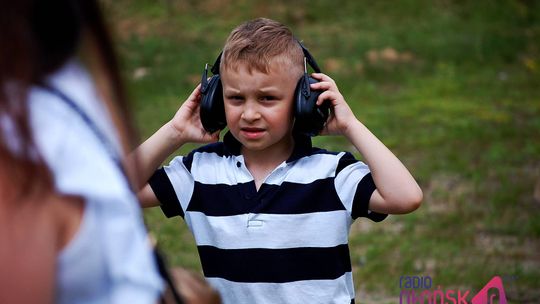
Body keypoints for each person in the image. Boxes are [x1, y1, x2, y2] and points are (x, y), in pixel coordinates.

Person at [135, 18, 423, 304]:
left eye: (267, 98)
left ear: (304, 100)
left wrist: (351, 126)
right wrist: (174, 132)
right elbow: (118, 191)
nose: (249, 113)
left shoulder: (331, 174)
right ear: (215, 100)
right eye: (235, 98)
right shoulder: (200, 173)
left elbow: (405, 197)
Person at [0, 1, 220, 303]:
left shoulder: (67, 86)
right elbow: (126, 193)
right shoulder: (18, 142)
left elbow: (110, 193)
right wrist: (175, 132)